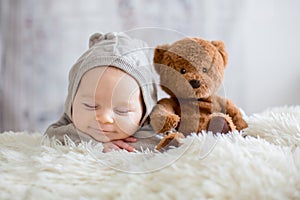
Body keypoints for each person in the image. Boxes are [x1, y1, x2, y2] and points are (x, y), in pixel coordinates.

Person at [44, 32, 161, 152]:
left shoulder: (154, 124)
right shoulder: (68, 122)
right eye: (90, 106)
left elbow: (165, 142)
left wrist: (126, 146)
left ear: (145, 110)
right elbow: (52, 135)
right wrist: (95, 145)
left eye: (122, 111)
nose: (104, 118)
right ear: (72, 101)